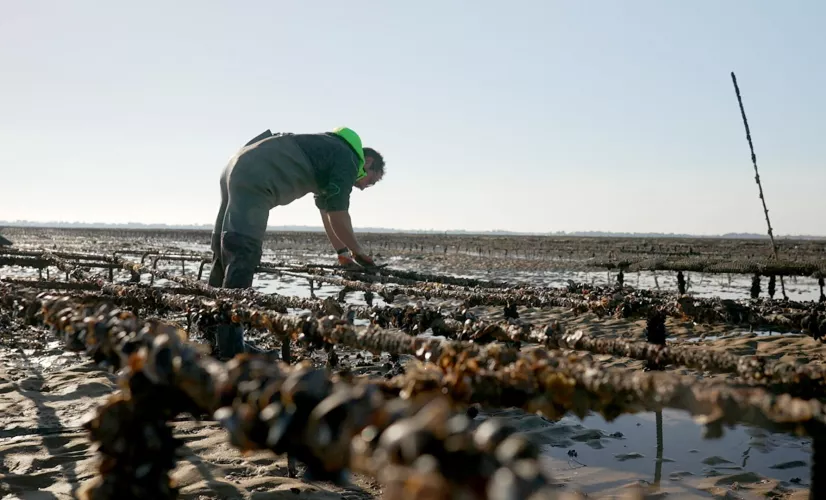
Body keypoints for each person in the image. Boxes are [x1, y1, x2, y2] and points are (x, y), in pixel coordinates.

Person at [206, 126, 385, 359]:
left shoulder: (328, 150)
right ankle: (231, 351)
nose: (364, 187)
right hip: (257, 174)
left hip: (239, 162)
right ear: (368, 161)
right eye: (371, 181)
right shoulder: (349, 157)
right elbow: (339, 213)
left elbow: (327, 212)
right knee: (242, 252)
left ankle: (212, 339)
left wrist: (342, 252)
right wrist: (359, 252)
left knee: (223, 251)